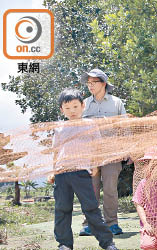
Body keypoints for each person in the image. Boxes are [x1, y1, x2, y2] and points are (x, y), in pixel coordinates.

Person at [47, 88, 118, 250]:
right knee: (62, 209)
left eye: (75, 107)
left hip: (82, 173)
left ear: (82, 106)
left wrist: (95, 166)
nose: (72, 111)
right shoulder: (59, 128)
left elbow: (97, 148)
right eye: (67, 108)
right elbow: (56, 151)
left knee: (91, 208)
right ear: (61, 109)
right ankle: (64, 244)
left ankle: (107, 243)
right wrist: (53, 170)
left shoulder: (90, 125)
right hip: (62, 173)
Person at [79, 69, 126, 236]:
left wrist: (127, 151)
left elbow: (124, 128)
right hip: (89, 154)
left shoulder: (117, 103)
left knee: (110, 189)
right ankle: (89, 224)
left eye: (94, 82)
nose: (90, 86)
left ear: (104, 84)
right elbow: (77, 129)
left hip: (112, 153)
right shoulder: (83, 104)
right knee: (90, 189)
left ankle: (112, 223)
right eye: (88, 83)